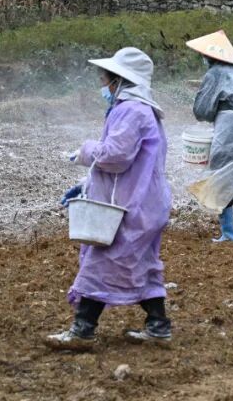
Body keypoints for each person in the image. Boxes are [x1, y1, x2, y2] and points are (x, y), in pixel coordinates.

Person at [47, 47, 172, 350]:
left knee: (102, 260)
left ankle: (83, 330)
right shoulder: (143, 112)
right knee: (141, 263)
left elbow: (116, 157)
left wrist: (85, 151)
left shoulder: (131, 111)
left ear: (119, 81)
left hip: (130, 205)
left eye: (106, 79)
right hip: (146, 201)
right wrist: (87, 181)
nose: (104, 85)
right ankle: (158, 327)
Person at [185, 30, 233, 242]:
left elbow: (202, 111)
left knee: (220, 180)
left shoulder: (215, 74)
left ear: (211, 56)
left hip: (232, 131)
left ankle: (229, 234)